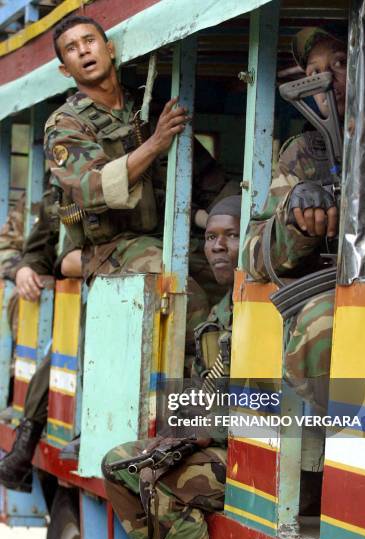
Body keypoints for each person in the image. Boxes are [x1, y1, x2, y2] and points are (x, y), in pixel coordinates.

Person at [44, 15, 238, 342]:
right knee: (184, 294)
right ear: (66, 69)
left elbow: (213, 182)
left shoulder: (146, 112)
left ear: (109, 48)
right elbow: (93, 189)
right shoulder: (65, 125)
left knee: (232, 276)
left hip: (168, 237)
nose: (83, 51)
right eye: (72, 49)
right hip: (110, 248)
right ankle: (204, 374)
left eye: (89, 41)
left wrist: (234, 227)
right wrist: (154, 145)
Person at [103, 196, 241, 539]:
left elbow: (277, 406)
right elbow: (206, 387)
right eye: (211, 237)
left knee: (160, 483)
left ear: (252, 242)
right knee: (118, 463)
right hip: (216, 445)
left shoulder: (269, 312)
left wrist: (204, 432)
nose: (217, 246)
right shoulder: (221, 311)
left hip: (249, 457)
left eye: (231, 236)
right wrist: (176, 429)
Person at [242, 27, 347, 481]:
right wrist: (294, 215)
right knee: (320, 326)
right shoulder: (303, 153)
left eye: (340, 64)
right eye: (313, 73)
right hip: (339, 297)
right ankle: (323, 471)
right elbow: (254, 255)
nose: (327, 81)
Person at [0, 192, 81, 492]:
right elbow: (20, 248)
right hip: (61, 301)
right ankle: (25, 433)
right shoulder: (50, 194)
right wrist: (21, 269)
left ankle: (26, 439)